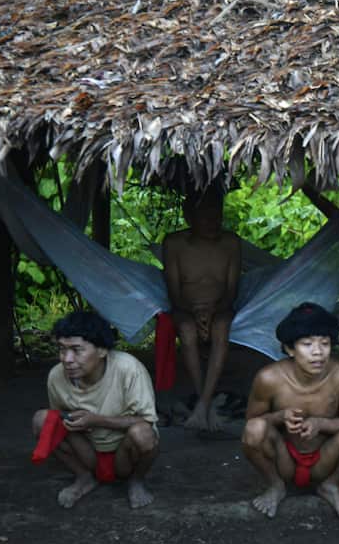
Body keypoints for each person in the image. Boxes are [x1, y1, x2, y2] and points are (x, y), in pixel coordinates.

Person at [241, 303, 339, 518]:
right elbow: (251, 425)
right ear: (289, 349)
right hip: (284, 458)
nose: (318, 352)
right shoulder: (269, 378)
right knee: (255, 429)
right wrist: (280, 416)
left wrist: (322, 424)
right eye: (307, 344)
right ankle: (276, 486)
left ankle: (330, 486)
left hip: (325, 459)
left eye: (325, 343)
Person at [31, 311, 159, 509]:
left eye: (76, 350)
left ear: (101, 351)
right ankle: (84, 476)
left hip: (123, 455)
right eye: (62, 349)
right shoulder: (56, 376)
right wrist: (72, 420)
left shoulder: (128, 369)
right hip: (88, 451)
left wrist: (96, 420)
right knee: (43, 420)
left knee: (143, 433)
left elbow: (147, 422)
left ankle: (136, 480)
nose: (67, 359)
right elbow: (58, 422)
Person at [162, 187, 241, 431]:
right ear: (189, 218)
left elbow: (232, 289)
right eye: (205, 217)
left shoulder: (230, 243)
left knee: (221, 328)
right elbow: (174, 291)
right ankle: (202, 398)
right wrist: (194, 313)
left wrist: (214, 312)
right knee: (186, 331)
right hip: (185, 308)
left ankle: (203, 404)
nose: (212, 222)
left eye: (216, 215)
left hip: (221, 309)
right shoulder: (174, 244)